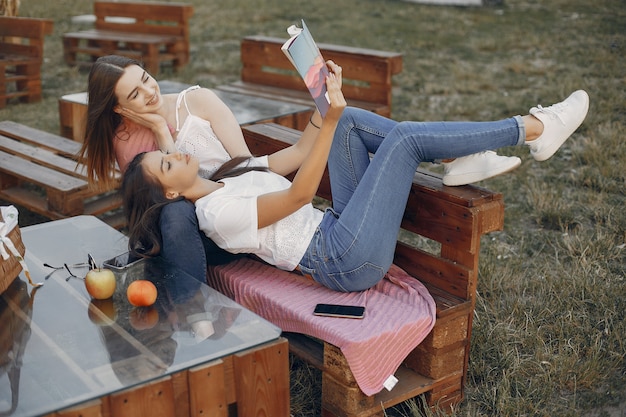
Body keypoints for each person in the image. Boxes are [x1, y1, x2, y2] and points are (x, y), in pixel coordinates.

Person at [120, 59, 590, 292]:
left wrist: (326, 100)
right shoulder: (216, 215)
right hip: (344, 261)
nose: (176, 154)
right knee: (404, 140)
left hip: (339, 227)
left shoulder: (228, 174)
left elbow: (303, 151)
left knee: (344, 122)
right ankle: (532, 128)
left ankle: (459, 159)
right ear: (172, 190)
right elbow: (302, 194)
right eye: (167, 161)